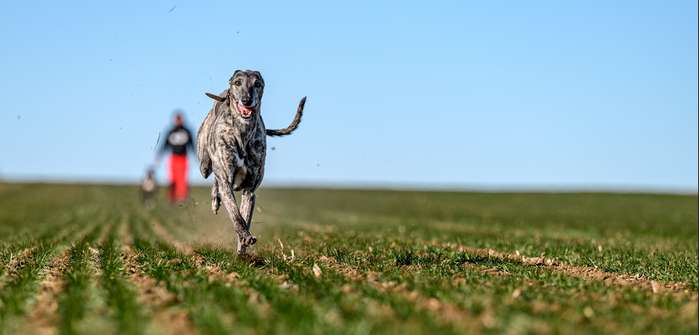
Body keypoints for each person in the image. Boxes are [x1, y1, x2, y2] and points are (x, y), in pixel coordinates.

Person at [156, 112, 194, 203]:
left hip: (183, 158)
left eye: (180, 119)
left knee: (182, 179)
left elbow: (192, 145)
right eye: (177, 119)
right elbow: (164, 145)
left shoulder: (187, 131)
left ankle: (182, 198)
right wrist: (159, 156)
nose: (178, 121)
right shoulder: (171, 131)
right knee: (172, 178)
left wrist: (197, 156)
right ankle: (172, 197)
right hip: (173, 158)